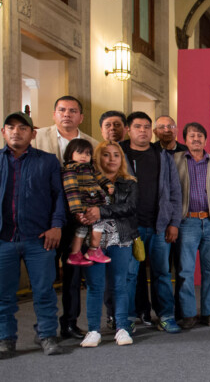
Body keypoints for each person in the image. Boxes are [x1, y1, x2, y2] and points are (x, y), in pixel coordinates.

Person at [0, 112, 65, 359]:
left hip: (40, 238)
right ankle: (5, 339)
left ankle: (47, 335)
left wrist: (56, 225)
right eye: (11, 128)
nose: (17, 132)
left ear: (32, 133)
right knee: (3, 294)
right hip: (4, 239)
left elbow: (59, 195)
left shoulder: (47, 161)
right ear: (4, 132)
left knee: (44, 290)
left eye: (22, 128)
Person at [33, 96, 98, 340]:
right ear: (54, 114)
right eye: (61, 110)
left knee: (73, 275)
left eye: (72, 111)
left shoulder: (92, 143)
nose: (66, 114)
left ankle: (70, 323)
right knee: (45, 276)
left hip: (78, 221)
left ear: (81, 117)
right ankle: (44, 327)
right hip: (47, 219)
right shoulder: (37, 138)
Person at [119, 112, 183, 334]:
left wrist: (173, 222)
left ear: (152, 132)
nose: (143, 131)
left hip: (159, 227)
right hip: (129, 228)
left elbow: (175, 191)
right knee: (129, 275)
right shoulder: (119, 154)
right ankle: (125, 318)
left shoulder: (162, 155)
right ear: (128, 129)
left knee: (162, 274)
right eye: (138, 126)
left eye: (147, 127)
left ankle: (166, 315)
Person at [78, 141, 139, 347]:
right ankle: (93, 330)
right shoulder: (86, 181)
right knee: (95, 286)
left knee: (119, 284)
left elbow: (129, 208)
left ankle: (122, 327)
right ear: (98, 158)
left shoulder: (129, 182)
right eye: (106, 155)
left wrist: (101, 212)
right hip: (93, 241)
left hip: (120, 239)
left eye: (116, 155)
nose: (112, 159)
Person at [174, 122, 210, 329]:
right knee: (185, 271)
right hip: (186, 222)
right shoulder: (176, 160)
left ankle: (209, 313)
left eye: (200, 136)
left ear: (206, 140)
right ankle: (188, 314)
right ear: (185, 140)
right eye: (192, 136)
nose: (196, 139)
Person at [61, 139, 114, 266]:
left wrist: (108, 185)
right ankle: (94, 250)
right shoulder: (71, 169)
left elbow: (101, 178)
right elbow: (71, 191)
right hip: (85, 204)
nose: (84, 156)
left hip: (92, 202)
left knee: (82, 229)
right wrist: (77, 211)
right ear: (70, 154)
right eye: (80, 153)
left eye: (88, 154)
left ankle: (75, 253)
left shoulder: (90, 168)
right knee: (99, 224)